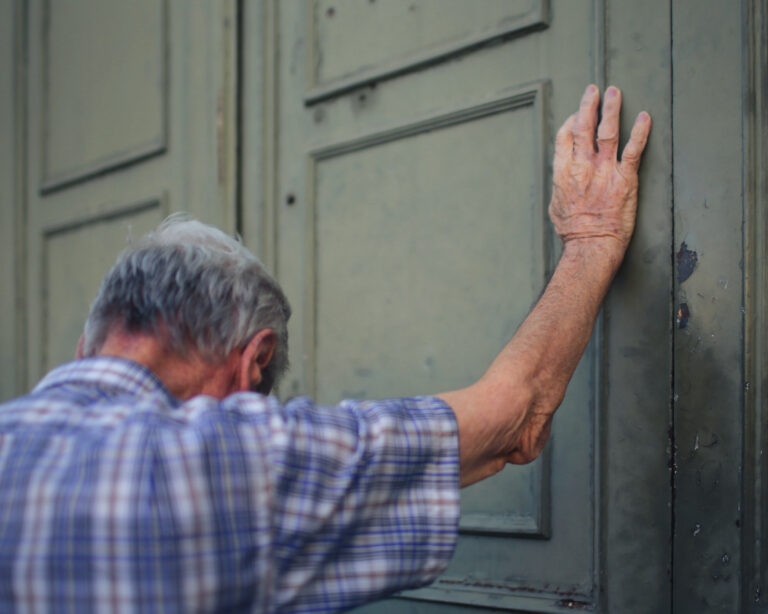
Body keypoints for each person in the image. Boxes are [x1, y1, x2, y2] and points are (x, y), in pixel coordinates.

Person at [0, 85, 650, 613]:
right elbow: (515, 412)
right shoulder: (229, 463)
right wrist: (590, 240)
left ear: (89, 347)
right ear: (253, 363)